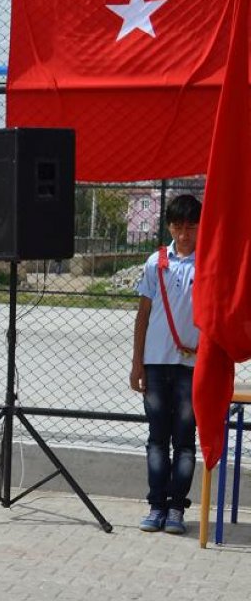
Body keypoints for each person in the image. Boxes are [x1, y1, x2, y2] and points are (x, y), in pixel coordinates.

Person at [130, 194, 200, 535]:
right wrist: (137, 363)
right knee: (157, 439)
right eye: (177, 226)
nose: (184, 234)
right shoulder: (155, 263)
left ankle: (176, 508)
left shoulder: (209, 263)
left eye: (191, 227)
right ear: (169, 226)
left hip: (192, 366)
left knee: (185, 441)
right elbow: (143, 315)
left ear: (200, 227)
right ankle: (156, 505)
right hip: (156, 363)